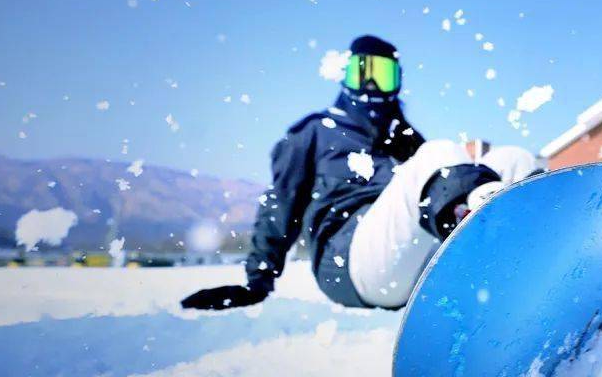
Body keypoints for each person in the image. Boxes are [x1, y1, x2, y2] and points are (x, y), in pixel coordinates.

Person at [181, 35, 536, 311]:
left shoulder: (402, 138)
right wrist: (256, 281)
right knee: (440, 152)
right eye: (360, 72)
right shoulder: (316, 131)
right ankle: (496, 243)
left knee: (514, 160)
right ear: (345, 76)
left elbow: (444, 178)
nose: (369, 85)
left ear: (396, 82)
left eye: (381, 75)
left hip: (408, 263)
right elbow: (281, 203)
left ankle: (542, 246)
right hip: (348, 262)